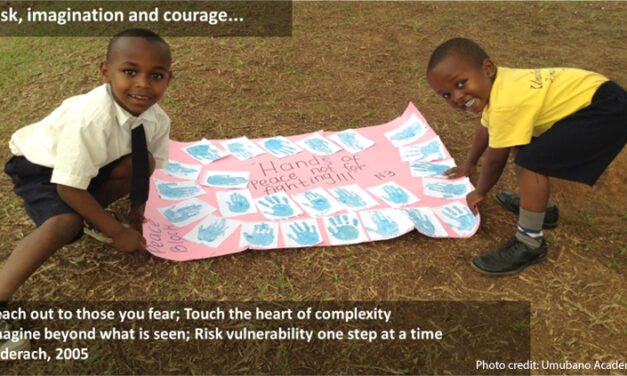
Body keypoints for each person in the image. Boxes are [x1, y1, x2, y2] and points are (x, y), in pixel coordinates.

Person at [0, 28, 172, 351]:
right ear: (105, 72)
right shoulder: (90, 118)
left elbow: (142, 168)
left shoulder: (157, 120)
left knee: (142, 162)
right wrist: (116, 231)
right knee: (66, 223)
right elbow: (68, 187)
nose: (143, 85)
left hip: (90, 165)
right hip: (42, 167)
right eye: (130, 71)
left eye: (157, 75)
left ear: (169, 79)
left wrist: (137, 213)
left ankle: (90, 214)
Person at [426, 37, 626, 276]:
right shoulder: (499, 85)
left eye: (460, 83)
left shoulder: (506, 103)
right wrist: (469, 164)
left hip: (605, 109)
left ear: (487, 68)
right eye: (446, 95)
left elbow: (495, 159)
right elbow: (486, 128)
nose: (457, 97)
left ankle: (530, 243)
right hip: (598, 97)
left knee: (531, 163)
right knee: (524, 147)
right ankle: (543, 210)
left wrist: (480, 191)